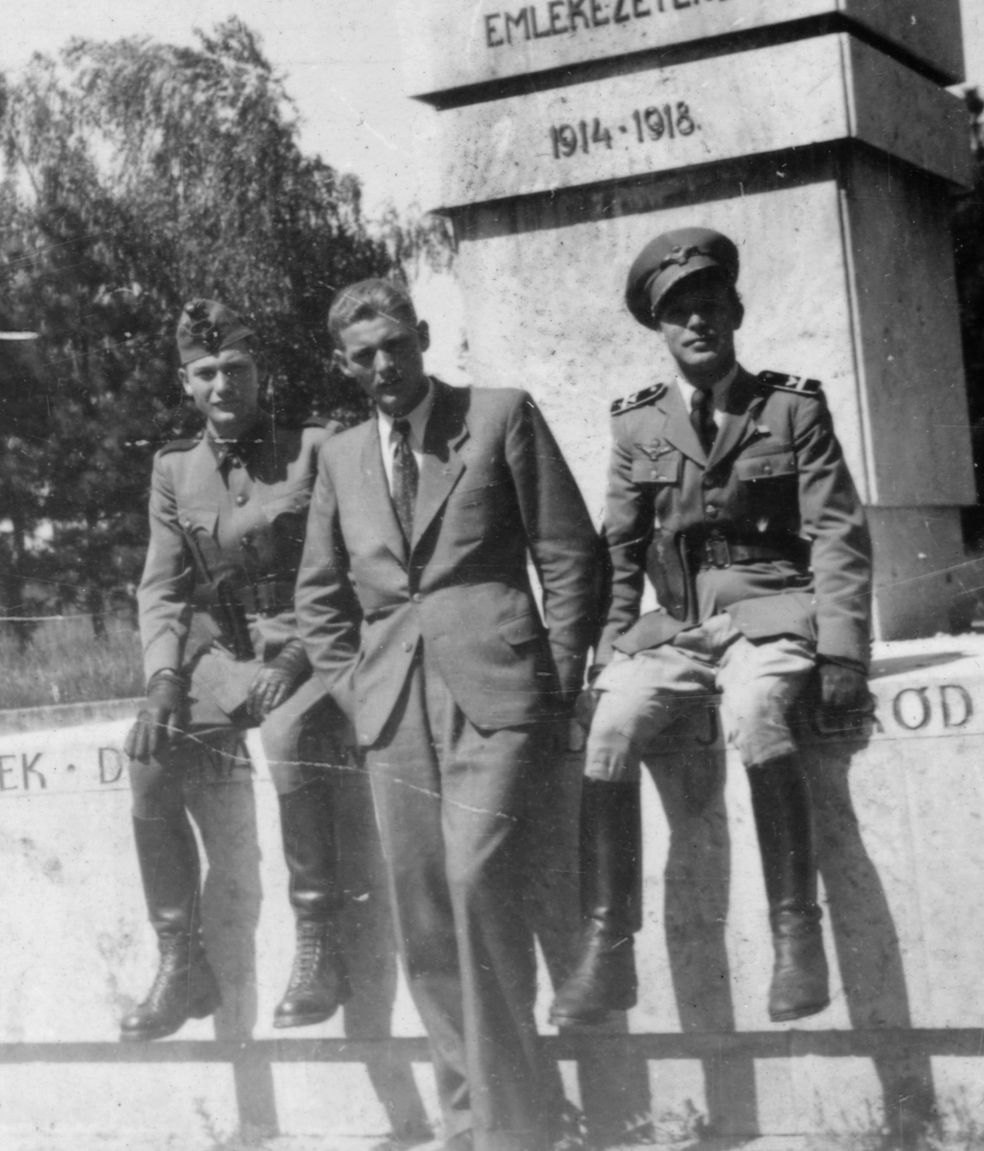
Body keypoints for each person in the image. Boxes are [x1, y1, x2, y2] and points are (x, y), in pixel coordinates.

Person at [296, 278, 600, 1151]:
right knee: (424, 911)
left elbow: (569, 552)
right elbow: (319, 598)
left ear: (423, 336)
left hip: (497, 691)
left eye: (397, 344)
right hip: (393, 706)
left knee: (476, 884)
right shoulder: (341, 456)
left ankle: (518, 1123)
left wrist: (563, 680)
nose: (386, 365)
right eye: (365, 355)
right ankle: (468, 1119)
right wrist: (357, 693)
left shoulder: (499, 416)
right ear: (343, 365)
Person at [549, 228, 873, 1030]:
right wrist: (606, 660)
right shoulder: (637, 426)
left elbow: (837, 533)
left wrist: (842, 652)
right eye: (679, 314)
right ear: (659, 330)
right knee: (613, 727)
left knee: (756, 712)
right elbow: (620, 552)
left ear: (735, 311)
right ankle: (607, 945)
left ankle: (799, 938)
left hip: (771, 611)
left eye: (708, 307)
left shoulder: (791, 407)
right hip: (678, 627)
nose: (697, 324)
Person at [123, 298, 352, 1041]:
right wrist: (164, 679)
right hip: (224, 657)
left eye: (237, 368)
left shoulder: (315, 447)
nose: (223, 384)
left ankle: (322, 944)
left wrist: (298, 653)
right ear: (186, 384)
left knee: (286, 736)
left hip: (311, 648)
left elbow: (354, 568)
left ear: (262, 373)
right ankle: (181, 961)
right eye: (206, 372)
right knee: (150, 754)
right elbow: (160, 588)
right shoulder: (174, 471)